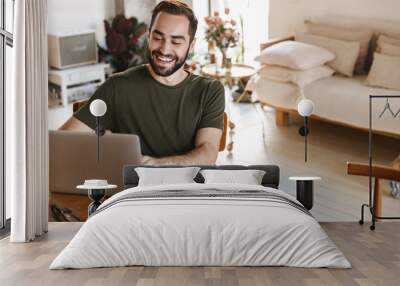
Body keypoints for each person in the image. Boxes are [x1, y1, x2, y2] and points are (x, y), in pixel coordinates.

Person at [60, 0, 225, 166]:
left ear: (191, 45)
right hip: (132, 189)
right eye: (158, 37)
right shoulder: (117, 86)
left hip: (187, 189)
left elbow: (208, 153)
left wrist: (158, 165)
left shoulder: (210, 90)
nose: (164, 49)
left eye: (176, 42)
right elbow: (64, 140)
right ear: (149, 36)